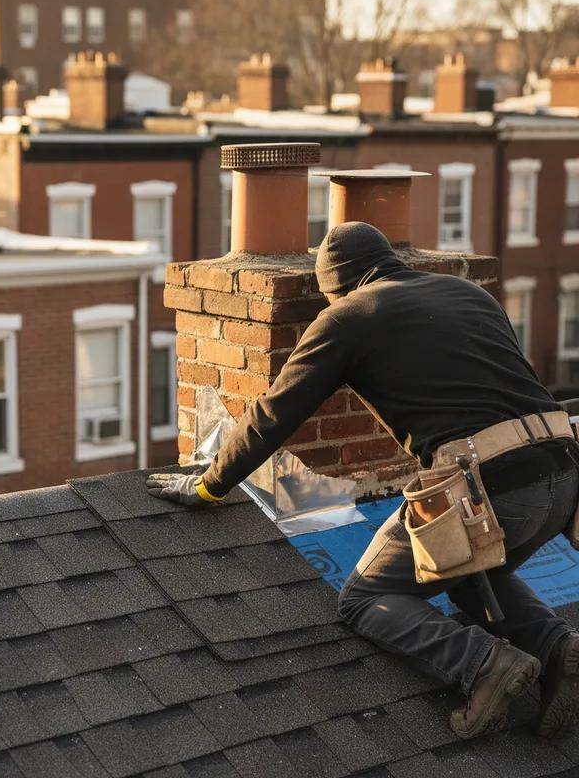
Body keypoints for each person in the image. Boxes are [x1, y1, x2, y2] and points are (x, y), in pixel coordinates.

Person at [147, 221, 579, 740]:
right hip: (563, 473)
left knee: (367, 596)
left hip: (487, 487)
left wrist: (208, 485)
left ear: (337, 286)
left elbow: (273, 416)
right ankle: (558, 648)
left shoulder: (349, 315)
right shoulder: (469, 293)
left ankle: (486, 664)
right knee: (469, 572)